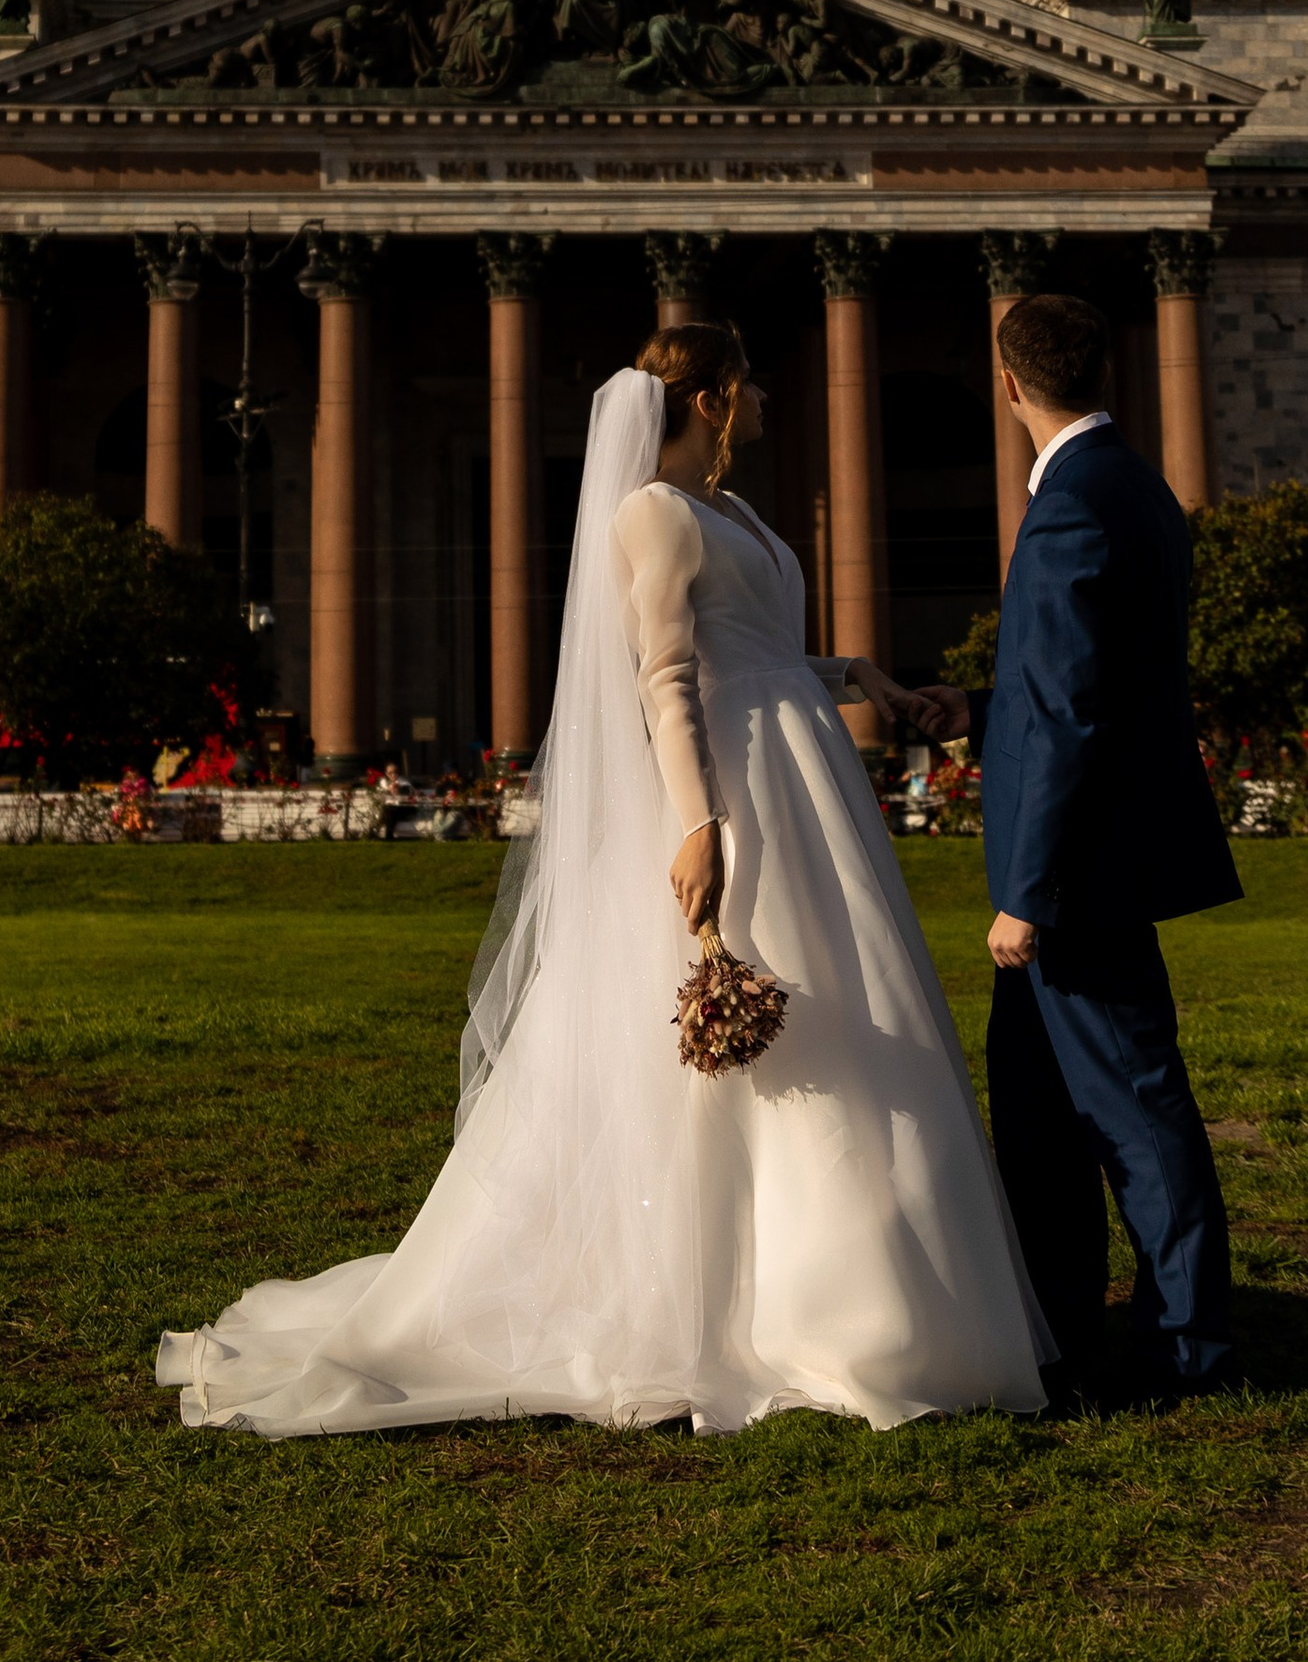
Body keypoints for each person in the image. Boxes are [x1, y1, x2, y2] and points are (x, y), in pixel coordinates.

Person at [157, 324, 1050, 1438]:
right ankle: (756, 1303)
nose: (765, 396)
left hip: (801, 773)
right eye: (750, 381)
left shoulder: (732, 513)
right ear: (716, 399)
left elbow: (752, 655)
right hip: (736, 788)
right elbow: (666, 673)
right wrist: (698, 825)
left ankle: (861, 1293)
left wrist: (856, 672)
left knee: (843, 1012)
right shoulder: (653, 513)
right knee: (757, 1032)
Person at [910, 289, 1239, 1403]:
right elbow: (1074, 684)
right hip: (1090, 865)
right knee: (1041, 1115)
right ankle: (1055, 1323)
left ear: (1009, 386)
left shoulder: (1069, 507)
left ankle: (1186, 1346)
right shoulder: (1130, 484)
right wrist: (974, 702)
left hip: (1073, 883)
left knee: (1134, 1111)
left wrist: (1029, 893)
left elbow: (1068, 714)